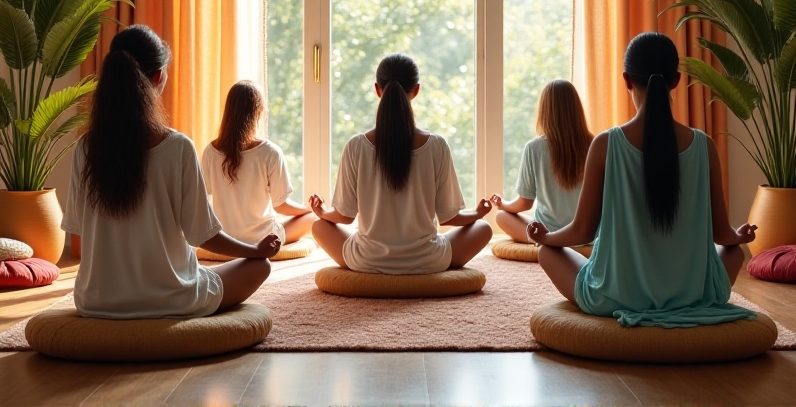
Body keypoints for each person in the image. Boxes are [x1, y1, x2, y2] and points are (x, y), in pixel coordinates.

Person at [528, 32, 757, 327]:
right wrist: (739, 236)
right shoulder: (704, 146)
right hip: (694, 295)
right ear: (675, 80)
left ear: (626, 79)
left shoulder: (606, 144)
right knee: (734, 252)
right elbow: (722, 236)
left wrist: (544, 237)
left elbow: (582, 231)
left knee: (548, 253)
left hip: (614, 297)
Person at [62, 25, 280, 319]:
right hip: (175, 300)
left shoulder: (85, 148)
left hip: (96, 302)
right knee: (260, 266)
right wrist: (255, 250)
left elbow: (78, 245)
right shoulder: (178, 147)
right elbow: (203, 237)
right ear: (158, 77)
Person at [310, 53, 493, 274]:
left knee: (319, 226)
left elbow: (345, 217)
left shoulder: (356, 146)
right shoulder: (437, 145)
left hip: (367, 261)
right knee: (483, 228)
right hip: (427, 261)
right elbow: (450, 217)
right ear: (416, 90)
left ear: (377, 90)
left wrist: (322, 212)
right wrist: (478, 214)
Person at [202, 81, 316, 249]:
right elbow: (281, 206)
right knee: (313, 218)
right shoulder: (269, 152)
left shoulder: (210, 152)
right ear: (258, 112)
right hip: (263, 240)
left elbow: (206, 194)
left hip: (225, 238)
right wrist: (308, 210)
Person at [490, 80, 593, 243]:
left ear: (544, 111)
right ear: (576, 109)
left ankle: (548, 241)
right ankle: (566, 240)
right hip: (586, 234)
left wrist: (504, 205)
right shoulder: (596, 144)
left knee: (502, 217)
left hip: (546, 231)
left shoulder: (534, 148)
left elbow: (524, 203)